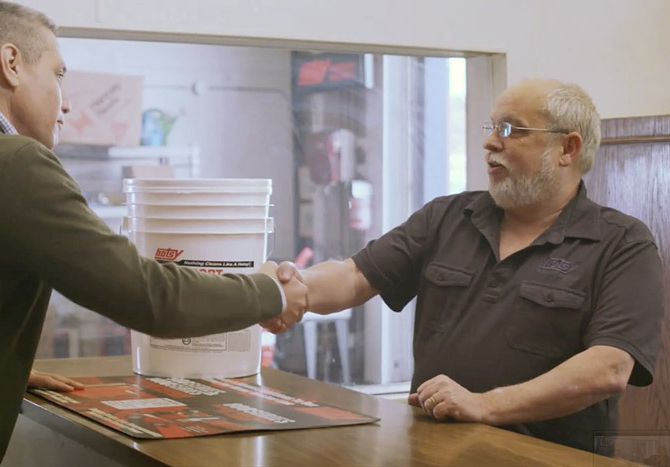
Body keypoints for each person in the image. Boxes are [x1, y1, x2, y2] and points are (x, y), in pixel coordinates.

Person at [0, 1, 306, 465]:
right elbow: (146, 296)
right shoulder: (13, 163)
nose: (67, 100)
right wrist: (268, 293)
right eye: (58, 74)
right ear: (11, 63)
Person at [264, 78, 664, 454]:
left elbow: (608, 368)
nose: (490, 142)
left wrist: (485, 406)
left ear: (568, 149)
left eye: (512, 130)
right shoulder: (448, 216)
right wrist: (284, 289)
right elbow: (354, 277)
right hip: (433, 451)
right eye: (492, 127)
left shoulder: (622, 244)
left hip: (544, 458)